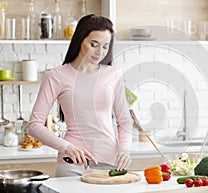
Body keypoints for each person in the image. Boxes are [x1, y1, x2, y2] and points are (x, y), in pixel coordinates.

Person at [27, 14, 133, 177]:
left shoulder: (113, 74)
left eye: (105, 46)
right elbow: (34, 125)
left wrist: (124, 149)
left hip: (109, 164)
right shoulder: (56, 76)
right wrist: (66, 147)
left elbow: (124, 120)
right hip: (72, 165)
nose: (100, 52)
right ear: (79, 40)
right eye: (94, 44)